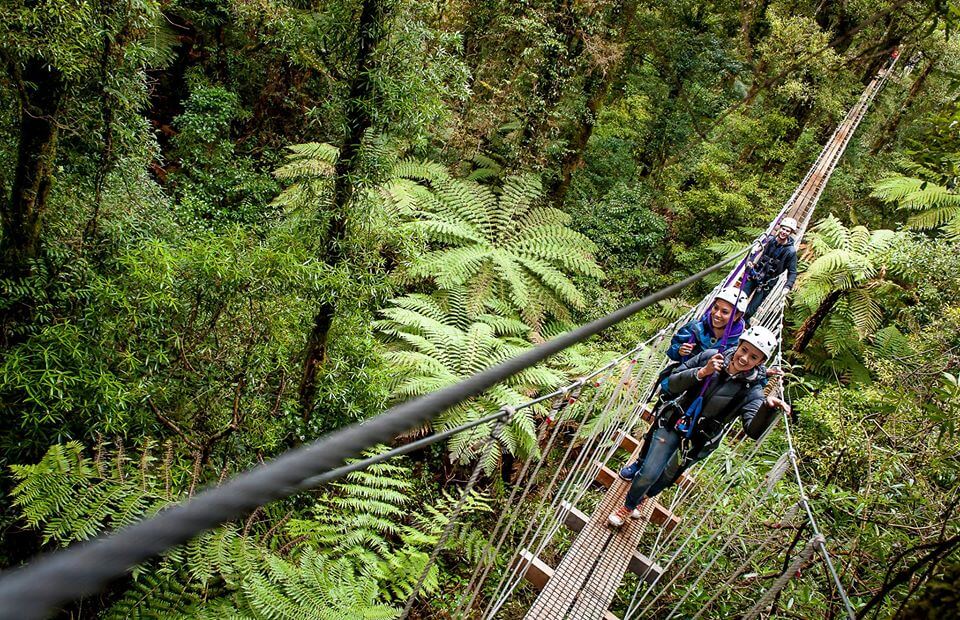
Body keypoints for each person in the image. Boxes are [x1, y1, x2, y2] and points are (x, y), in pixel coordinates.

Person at [608, 326, 789, 528]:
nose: (745, 359)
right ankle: (629, 505)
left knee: (667, 477)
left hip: (698, 441)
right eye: (744, 350)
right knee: (649, 472)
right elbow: (671, 383)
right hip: (675, 422)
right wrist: (703, 372)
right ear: (738, 345)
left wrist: (767, 408)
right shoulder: (712, 356)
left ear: (761, 362)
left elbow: (752, 430)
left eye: (754, 357)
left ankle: (644, 497)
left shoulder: (753, 391)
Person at [743, 217, 799, 323]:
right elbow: (755, 252)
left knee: (751, 310)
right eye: (783, 229)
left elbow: (792, 272)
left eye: (787, 231)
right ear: (779, 228)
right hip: (755, 275)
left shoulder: (790, 252)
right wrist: (750, 260)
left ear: (790, 233)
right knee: (740, 297)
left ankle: (740, 325)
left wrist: (788, 286)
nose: (784, 232)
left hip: (767, 283)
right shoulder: (769, 240)